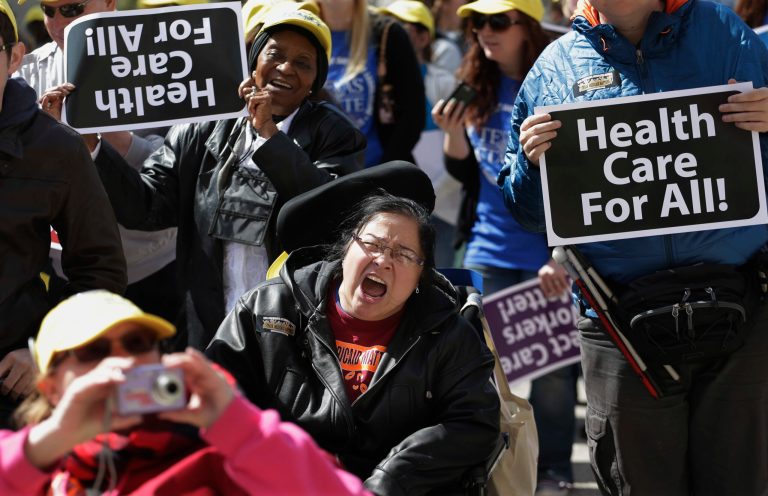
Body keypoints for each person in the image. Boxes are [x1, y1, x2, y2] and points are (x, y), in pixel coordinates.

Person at [498, 0, 768, 494]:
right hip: (618, 324)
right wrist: (531, 167)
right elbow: (528, 213)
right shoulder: (554, 67)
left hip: (739, 309)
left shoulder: (730, 36)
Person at [75, 7, 365, 352]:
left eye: (303, 63)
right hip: (211, 326)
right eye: (275, 54)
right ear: (253, 61)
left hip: (293, 329)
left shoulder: (336, 134)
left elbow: (331, 215)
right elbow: (147, 207)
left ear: (314, 83)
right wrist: (93, 148)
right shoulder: (200, 127)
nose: (286, 68)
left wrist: (269, 138)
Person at [206, 163, 500, 494]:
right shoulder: (267, 307)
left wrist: (387, 481)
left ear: (421, 276)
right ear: (347, 248)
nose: (383, 260)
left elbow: (474, 424)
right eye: (372, 244)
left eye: (403, 255)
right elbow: (216, 394)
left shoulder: (447, 331)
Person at [0, 289, 371, 495]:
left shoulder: (223, 455)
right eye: (92, 351)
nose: (123, 363)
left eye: (137, 343)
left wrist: (239, 424)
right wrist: (51, 440)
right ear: (50, 387)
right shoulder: (33, 466)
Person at [430, 1, 576, 492]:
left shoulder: (555, 81)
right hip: (485, 249)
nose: (484, 33)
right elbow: (468, 174)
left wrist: (556, 255)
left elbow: (573, 183)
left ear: (526, 27)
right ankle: (488, 464)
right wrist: (453, 137)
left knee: (554, 373)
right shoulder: (475, 83)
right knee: (479, 367)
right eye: (476, 24)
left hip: (544, 257)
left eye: (497, 22)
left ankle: (552, 468)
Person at [0, 0, 125, 429]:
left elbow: (101, 272)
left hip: (13, 390)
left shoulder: (57, 147)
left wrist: (47, 350)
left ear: (15, 57)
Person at [15, 0, 180, 324]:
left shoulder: (163, 57)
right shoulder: (29, 72)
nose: (58, 23)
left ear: (110, 3)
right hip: (71, 275)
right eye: (48, 11)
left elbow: (178, 167)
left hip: (159, 268)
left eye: (73, 9)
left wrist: (107, 134)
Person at [378, 0, 462, 268]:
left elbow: (464, 148)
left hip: (441, 210)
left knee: (443, 283)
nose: (387, 33)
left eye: (400, 27)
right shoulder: (378, 83)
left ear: (424, 37)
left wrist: (432, 194)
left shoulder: (446, 83)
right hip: (392, 203)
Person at [316, 0, 425, 166]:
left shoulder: (388, 33)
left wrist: (384, 171)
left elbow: (413, 115)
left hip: (376, 175)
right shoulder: (296, 29)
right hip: (314, 177)